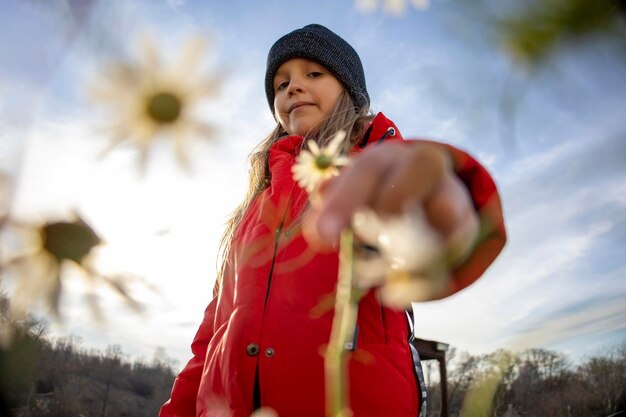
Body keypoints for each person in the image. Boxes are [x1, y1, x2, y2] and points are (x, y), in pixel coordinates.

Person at [159, 24, 506, 417]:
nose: (292, 88)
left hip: (356, 400)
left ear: (349, 90)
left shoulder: (374, 168)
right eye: (280, 83)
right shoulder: (255, 205)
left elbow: (438, 221)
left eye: (313, 74)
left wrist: (450, 200)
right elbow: (213, 333)